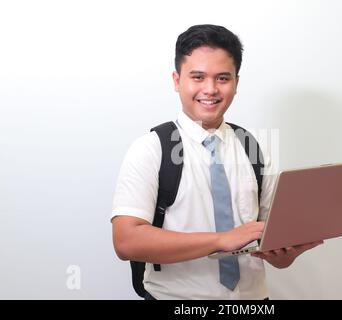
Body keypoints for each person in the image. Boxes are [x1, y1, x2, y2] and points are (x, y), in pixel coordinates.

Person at [111, 24, 323, 300]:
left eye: (223, 78)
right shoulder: (151, 149)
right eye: (197, 77)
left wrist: (286, 251)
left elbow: (272, 248)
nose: (210, 89)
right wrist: (221, 240)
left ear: (236, 81)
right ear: (177, 80)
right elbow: (126, 241)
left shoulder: (252, 149)